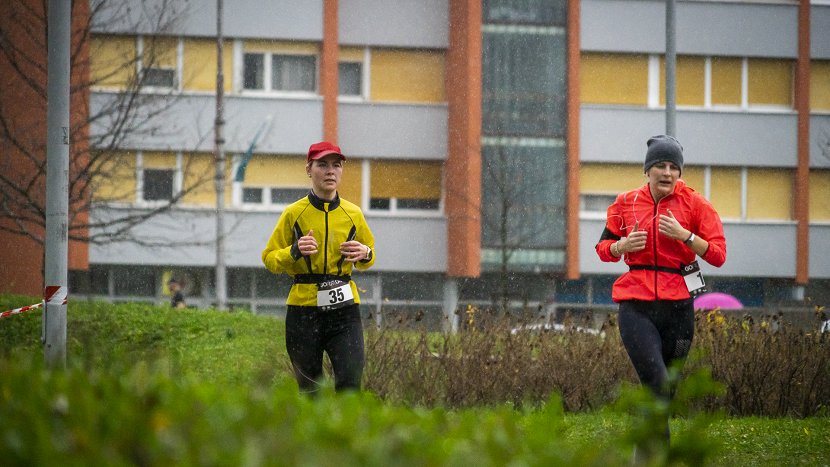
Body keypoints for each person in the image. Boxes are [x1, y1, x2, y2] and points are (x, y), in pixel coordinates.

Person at [595, 135, 726, 454]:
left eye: (673, 167)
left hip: (679, 309)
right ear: (647, 170)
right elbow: (602, 249)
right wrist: (621, 246)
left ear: (680, 172)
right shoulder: (625, 203)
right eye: (660, 166)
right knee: (655, 380)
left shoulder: (696, 204)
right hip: (636, 307)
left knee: (665, 392)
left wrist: (686, 236)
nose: (667, 173)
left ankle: (643, 453)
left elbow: (718, 255)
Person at [262, 141, 375, 393]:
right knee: (310, 389)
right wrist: (294, 251)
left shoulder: (353, 214)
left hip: (344, 311)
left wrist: (365, 253)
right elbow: (269, 258)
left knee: (350, 384)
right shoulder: (293, 213)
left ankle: (347, 422)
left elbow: (369, 254)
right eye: (322, 165)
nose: (330, 171)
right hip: (303, 312)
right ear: (308, 170)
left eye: (336, 165)